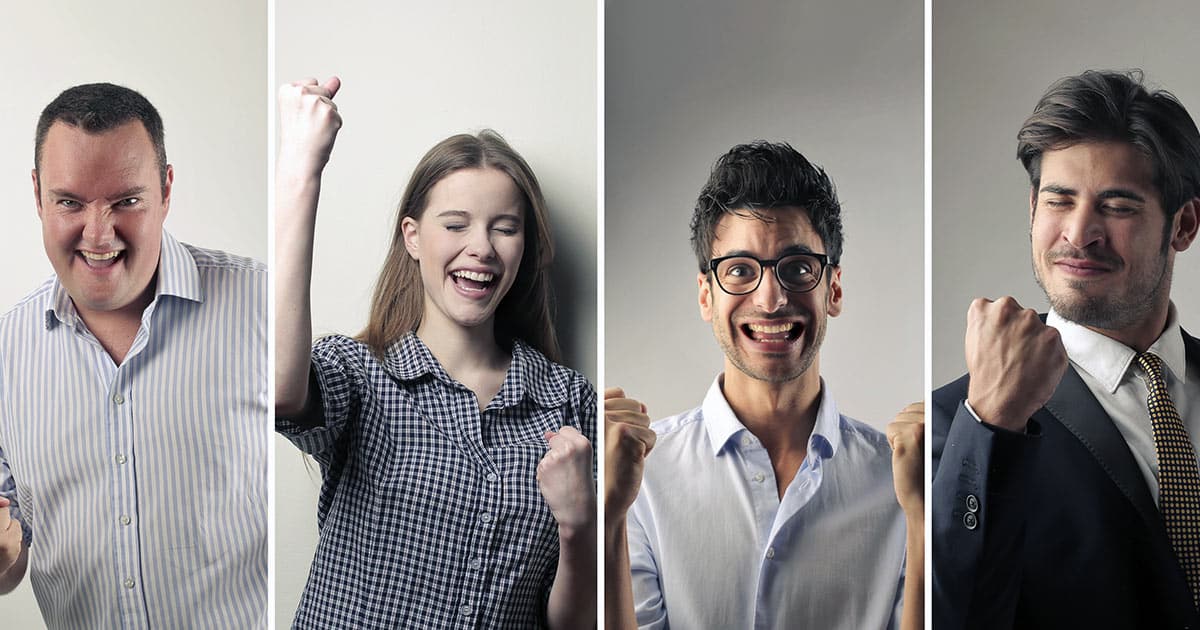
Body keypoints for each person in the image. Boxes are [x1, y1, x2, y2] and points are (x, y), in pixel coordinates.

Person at [274, 77, 597, 629]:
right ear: (413, 236)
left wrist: (579, 524)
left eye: (505, 228)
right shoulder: (359, 374)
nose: (481, 248)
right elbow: (278, 388)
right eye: (455, 224)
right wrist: (302, 166)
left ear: (526, 248)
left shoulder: (569, 404)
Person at [604, 141, 925, 630]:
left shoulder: (902, 481)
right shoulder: (642, 479)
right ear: (706, 296)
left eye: (797, 268)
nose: (771, 299)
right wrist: (606, 519)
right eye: (739, 270)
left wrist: (922, 525)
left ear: (832, 289)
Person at [932, 70, 1200, 629]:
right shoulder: (950, 427)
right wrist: (991, 425)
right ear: (1033, 209)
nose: (1080, 233)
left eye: (1118, 206)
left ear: (1184, 225)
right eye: (1059, 200)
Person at [0, 83, 268, 627]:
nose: (99, 234)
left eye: (126, 201)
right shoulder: (4, 354)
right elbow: (11, 559)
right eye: (69, 202)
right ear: (37, 195)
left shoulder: (262, 306)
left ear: (166, 189)